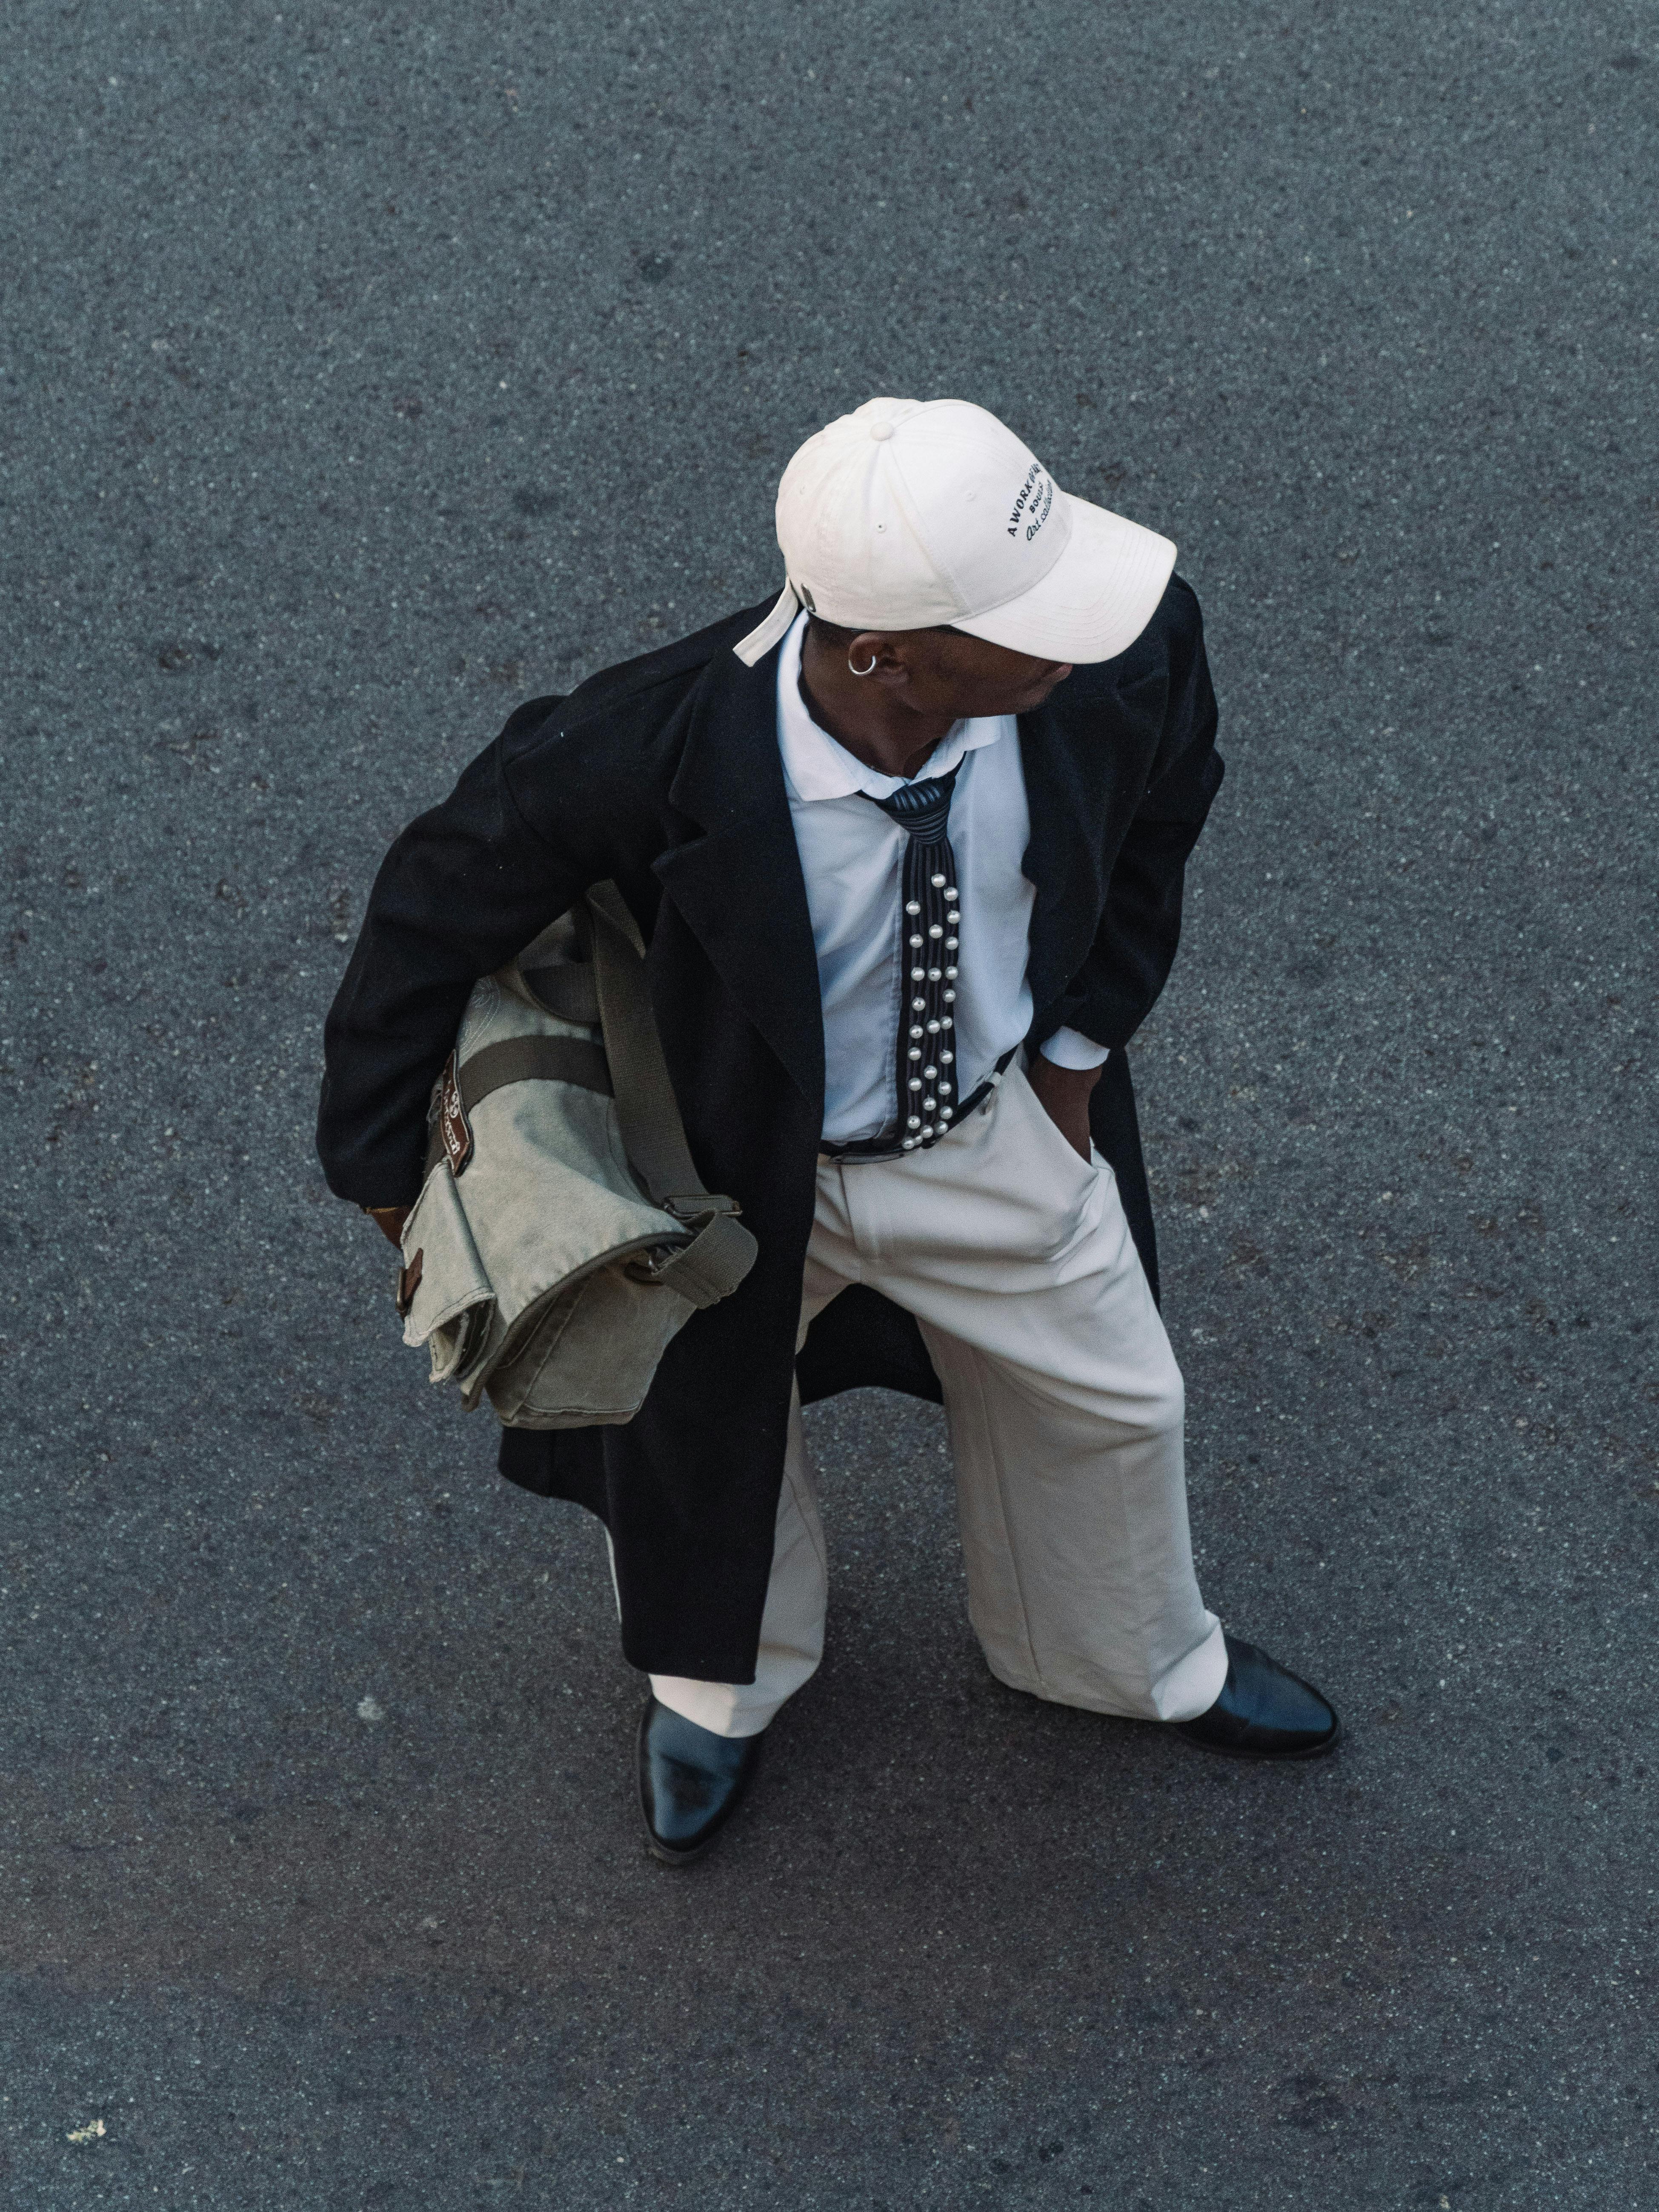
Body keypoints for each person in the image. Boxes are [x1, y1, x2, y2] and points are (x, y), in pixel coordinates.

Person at [318, 396, 1339, 1867]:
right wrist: (383, 1176)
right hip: (722, 1171)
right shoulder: (636, 751)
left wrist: (1070, 1057)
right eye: (1026, 617)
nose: (1083, 631)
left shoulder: (1117, 659)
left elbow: (1166, 809)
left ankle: (1122, 1659)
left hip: (988, 1132)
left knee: (1114, 1404)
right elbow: (429, 912)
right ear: (883, 653)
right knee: (689, 1432)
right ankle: (714, 1686)